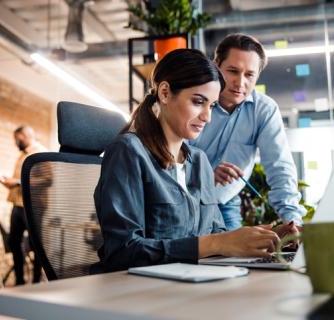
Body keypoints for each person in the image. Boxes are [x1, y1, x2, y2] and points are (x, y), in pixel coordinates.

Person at [92, 49, 293, 273]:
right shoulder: (129, 151)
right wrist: (217, 243)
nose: (207, 116)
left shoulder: (199, 161)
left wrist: (260, 237)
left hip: (190, 283)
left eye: (212, 105)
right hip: (140, 292)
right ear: (165, 93)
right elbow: (122, 252)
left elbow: (217, 235)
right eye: (198, 102)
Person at [189, 33, 306, 234]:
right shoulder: (195, 99)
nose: (240, 82)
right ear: (216, 65)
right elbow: (170, 157)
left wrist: (292, 220)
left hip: (223, 202)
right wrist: (205, 174)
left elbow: (280, 167)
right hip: (184, 198)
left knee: (235, 262)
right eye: (233, 71)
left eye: (249, 75)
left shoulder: (264, 110)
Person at [0, 126, 46, 285]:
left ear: (24, 135)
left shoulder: (40, 152)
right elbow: (19, 181)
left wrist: (18, 182)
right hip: (17, 206)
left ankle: (37, 281)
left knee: (36, 244)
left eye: (16, 139)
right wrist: (9, 183)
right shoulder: (21, 156)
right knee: (13, 241)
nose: (15, 143)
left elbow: (48, 179)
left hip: (33, 207)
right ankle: (20, 280)